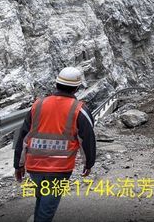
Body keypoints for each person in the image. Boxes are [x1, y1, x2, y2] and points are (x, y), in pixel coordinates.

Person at [13, 67, 96, 222]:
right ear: (77, 87)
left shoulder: (38, 105)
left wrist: (18, 164)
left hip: (34, 167)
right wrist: (89, 163)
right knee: (47, 210)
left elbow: (23, 136)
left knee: (43, 201)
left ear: (56, 83)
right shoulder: (79, 109)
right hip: (59, 169)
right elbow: (88, 139)